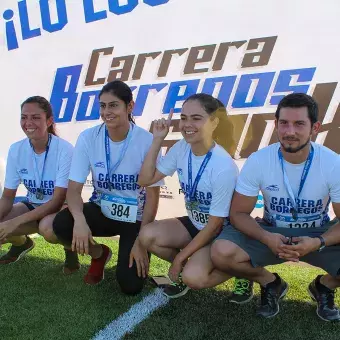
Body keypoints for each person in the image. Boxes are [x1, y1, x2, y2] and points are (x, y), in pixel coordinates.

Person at [211, 93, 340, 321]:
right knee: (221, 252)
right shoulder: (259, 160)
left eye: (299, 124)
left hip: (316, 233)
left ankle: (324, 287)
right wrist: (265, 237)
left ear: (315, 127)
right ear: (276, 124)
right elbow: (238, 213)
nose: (290, 131)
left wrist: (318, 241)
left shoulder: (332, 163)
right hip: (272, 231)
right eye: (284, 123)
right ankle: (271, 283)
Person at [52, 80, 162, 295]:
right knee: (63, 223)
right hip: (102, 210)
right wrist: (81, 222)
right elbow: (73, 190)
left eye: (113, 105)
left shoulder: (147, 140)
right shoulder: (88, 138)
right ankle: (99, 254)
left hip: (135, 217)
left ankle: (131, 252)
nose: (106, 111)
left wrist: (141, 239)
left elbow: (153, 196)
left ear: (129, 107)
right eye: (102, 106)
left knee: (131, 286)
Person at [137, 93, 239, 298]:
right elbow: (145, 180)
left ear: (213, 122)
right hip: (196, 223)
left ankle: (241, 269)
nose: (187, 124)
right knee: (147, 235)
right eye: (183, 118)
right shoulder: (182, 147)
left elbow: (214, 225)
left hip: (220, 232)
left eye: (196, 118)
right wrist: (157, 140)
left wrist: (180, 258)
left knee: (194, 278)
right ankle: (186, 269)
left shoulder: (223, 165)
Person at [0, 96, 79, 274]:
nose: (28, 122)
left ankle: (70, 249)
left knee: (47, 229)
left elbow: (57, 201)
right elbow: (7, 197)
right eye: (24, 117)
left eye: (36, 117)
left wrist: (15, 223)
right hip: (33, 204)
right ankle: (22, 244)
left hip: (62, 208)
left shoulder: (65, 150)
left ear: (49, 121)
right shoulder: (16, 149)